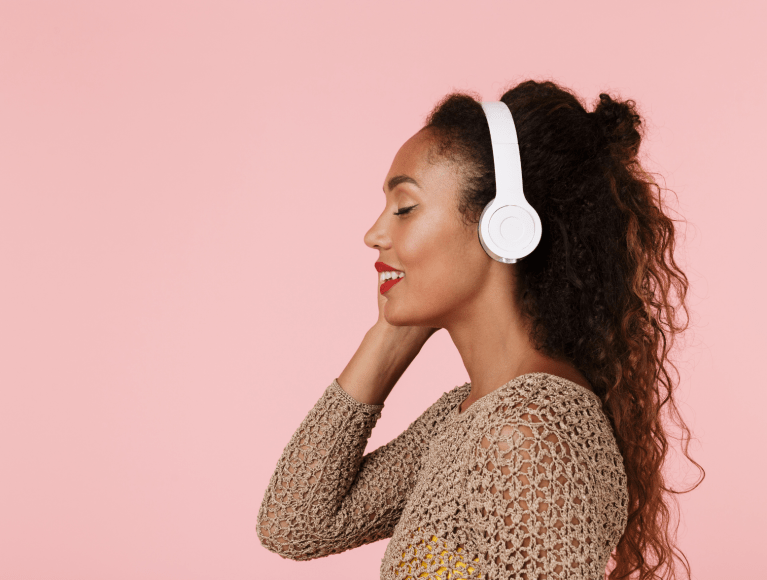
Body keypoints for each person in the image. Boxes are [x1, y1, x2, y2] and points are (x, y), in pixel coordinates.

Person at [256, 79, 703, 579]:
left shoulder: (527, 433)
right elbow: (296, 523)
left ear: (502, 225)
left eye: (404, 208)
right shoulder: (472, 415)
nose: (375, 234)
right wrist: (390, 333)